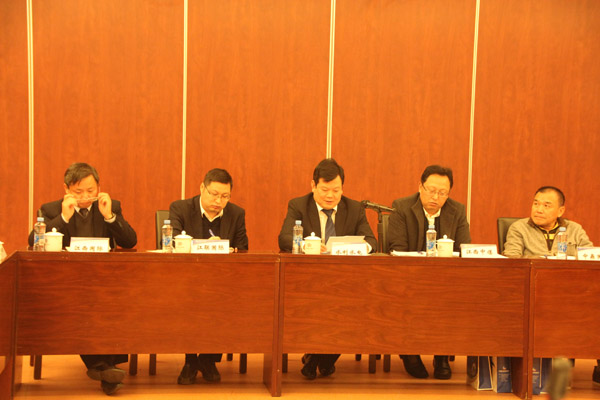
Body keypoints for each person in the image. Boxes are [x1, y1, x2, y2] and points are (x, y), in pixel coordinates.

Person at [28, 162, 137, 395]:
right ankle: (105, 368)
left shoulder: (109, 206)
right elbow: (33, 242)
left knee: (115, 302)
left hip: (104, 281)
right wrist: (63, 218)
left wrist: (110, 217)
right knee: (83, 305)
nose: (86, 197)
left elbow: (130, 241)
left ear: (99, 188)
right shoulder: (51, 210)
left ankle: (103, 368)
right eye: (79, 192)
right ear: (66, 189)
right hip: (67, 284)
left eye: (90, 191)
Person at [278, 158, 377, 380]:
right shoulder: (298, 205)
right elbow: (284, 238)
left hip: (346, 282)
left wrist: (359, 247)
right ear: (313, 186)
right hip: (308, 282)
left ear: (343, 188)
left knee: (350, 306)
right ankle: (323, 360)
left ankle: (317, 359)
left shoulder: (354, 208)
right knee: (325, 306)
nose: (330, 196)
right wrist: (305, 245)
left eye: (336, 190)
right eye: (324, 190)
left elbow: (372, 241)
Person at [502, 186, 599, 384]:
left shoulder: (575, 229)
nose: (539, 209)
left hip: (570, 293)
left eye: (547, 205)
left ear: (560, 211)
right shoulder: (519, 228)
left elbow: (590, 258)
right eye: (536, 203)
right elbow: (512, 260)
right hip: (534, 294)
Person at [387, 164, 471, 380]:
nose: (436, 197)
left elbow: (464, 248)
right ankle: (410, 353)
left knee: (452, 297)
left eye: (442, 193)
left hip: (445, 280)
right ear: (420, 187)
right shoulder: (401, 207)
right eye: (431, 190)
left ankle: (441, 356)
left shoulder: (457, 210)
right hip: (409, 277)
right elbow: (397, 248)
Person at [169, 168, 249, 385]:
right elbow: (173, 241)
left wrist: (229, 250)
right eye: (214, 194)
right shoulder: (180, 208)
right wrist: (205, 246)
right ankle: (190, 361)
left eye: (225, 196)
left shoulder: (236, 213)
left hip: (222, 281)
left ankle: (207, 359)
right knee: (190, 300)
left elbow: (242, 248)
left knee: (223, 300)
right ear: (202, 188)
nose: (218, 201)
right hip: (186, 279)